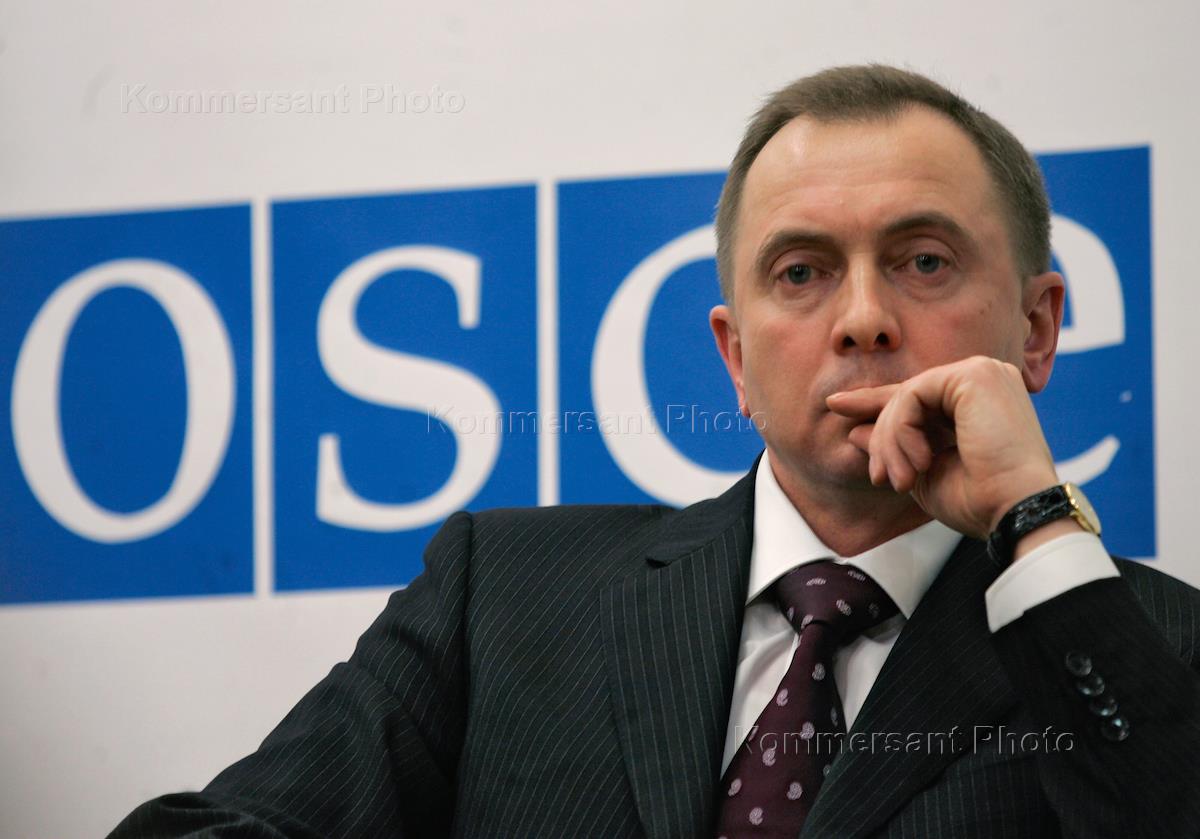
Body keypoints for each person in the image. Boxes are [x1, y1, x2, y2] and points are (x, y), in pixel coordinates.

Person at [110, 65, 1200, 838]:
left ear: (1037, 329)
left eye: (923, 261)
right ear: (735, 354)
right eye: (801, 272)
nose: (864, 318)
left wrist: (1033, 521)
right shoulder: (501, 596)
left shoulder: (1159, 643)